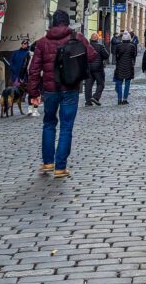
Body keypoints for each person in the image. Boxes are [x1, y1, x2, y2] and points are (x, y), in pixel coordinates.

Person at [27, 10, 97, 178]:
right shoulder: (76, 37)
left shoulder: (42, 42)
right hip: (70, 87)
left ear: (52, 23)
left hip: (50, 90)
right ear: (67, 22)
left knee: (49, 124)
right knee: (66, 127)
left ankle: (47, 162)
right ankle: (60, 167)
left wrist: (33, 92)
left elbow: (34, 69)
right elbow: (92, 56)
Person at [6, 39, 34, 116]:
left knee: (23, 87)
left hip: (24, 74)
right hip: (15, 74)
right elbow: (11, 62)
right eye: (23, 43)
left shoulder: (28, 53)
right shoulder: (16, 53)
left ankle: (22, 97)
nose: (24, 45)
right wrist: (13, 70)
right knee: (15, 88)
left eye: (25, 44)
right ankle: (13, 99)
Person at [111, 29, 138, 104]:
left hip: (120, 66)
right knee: (127, 84)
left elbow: (116, 56)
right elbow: (134, 56)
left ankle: (119, 99)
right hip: (129, 66)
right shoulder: (132, 46)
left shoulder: (119, 46)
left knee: (119, 83)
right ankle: (125, 99)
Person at [83, 31, 109, 106]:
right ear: (97, 39)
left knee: (88, 85)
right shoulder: (100, 46)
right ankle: (95, 97)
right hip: (98, 68)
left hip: (88, 68)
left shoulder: (86, 46)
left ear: (90, 39)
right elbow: (106, 55)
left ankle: (88, 101)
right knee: (101, 83)